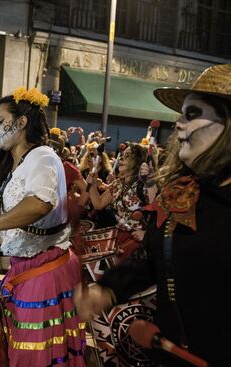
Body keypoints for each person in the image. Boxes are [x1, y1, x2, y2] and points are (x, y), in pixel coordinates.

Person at [74, 63, 231, 367]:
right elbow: (155, 256)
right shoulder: (183, 192)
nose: (179, 125)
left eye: (193, 114)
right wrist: (107, 290)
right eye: (181, 115)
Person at [0, 87, 86, 366]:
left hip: (44, 272)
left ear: (21, 123)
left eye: (0, 120)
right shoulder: (15, 165)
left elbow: (39, 204)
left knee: (32, 355)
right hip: (25, 269)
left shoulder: (42, 156)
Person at [87, 142, 157, 260]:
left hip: (138, 242)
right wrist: (92, 185)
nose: (121, 158)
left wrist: (147, 235)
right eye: (122, 155)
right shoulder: (118, 184)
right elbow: (98, 204)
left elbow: (159, 212)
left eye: (128, 156)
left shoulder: (146, 184)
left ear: (138, 161)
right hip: (119, 237)